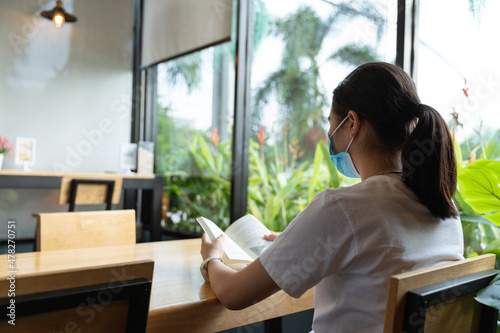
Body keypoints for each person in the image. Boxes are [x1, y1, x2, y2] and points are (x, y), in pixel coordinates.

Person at [200, 62, 464, 332]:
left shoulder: (343, 207)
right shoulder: (445, 209)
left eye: (330, 123)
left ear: (352, 123)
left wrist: (213, 258)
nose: (329, 135)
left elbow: (233, 294)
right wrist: (301, 243)